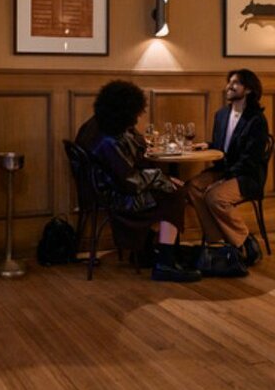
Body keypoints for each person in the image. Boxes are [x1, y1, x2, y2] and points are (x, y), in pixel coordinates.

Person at [75, 80, 201, 282]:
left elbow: (134, 156)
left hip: (101, 190)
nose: (135, 121)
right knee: (175, 194)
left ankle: (147, 251)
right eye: (133, 115)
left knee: (169, 187)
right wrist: (163, 179)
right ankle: (165, 262)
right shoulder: (109, 141)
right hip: (117, 197)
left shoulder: (95, 125)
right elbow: (130, 182)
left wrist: (160, 177)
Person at [184, 69, 268, 267]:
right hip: (223, 169)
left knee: (215, 196)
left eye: (235, 83)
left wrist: (224, 179)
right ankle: (219, 242)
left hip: (246, 175)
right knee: (192, 187)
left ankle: (245, 241)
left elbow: (250, 159)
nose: (229, 86)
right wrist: (208, 145)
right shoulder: (221, 115)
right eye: (229, 82)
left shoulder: (256, 120)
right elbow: (223, 147)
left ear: (248, 90)